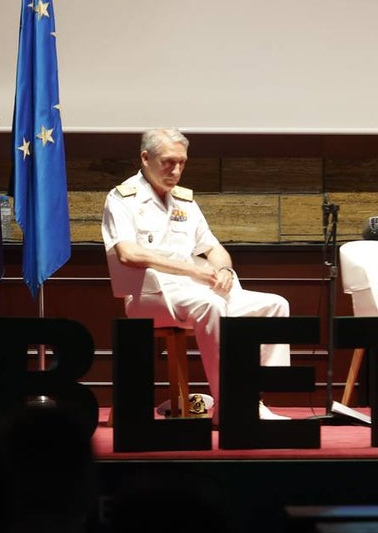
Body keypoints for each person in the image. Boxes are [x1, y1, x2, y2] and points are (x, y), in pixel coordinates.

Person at [101, 128, 291, 422]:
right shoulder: (123, 198)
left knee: (275, 305)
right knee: (211, 306)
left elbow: (214, 248)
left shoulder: (185, 202)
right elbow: (129, 254)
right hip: (149, 295)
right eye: (168, 162)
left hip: (194, 290)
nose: (176, 171)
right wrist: (192, 269)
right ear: (145, 158)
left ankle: (253, 398)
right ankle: (230, 407)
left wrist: (224, 269)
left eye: (182, 163)